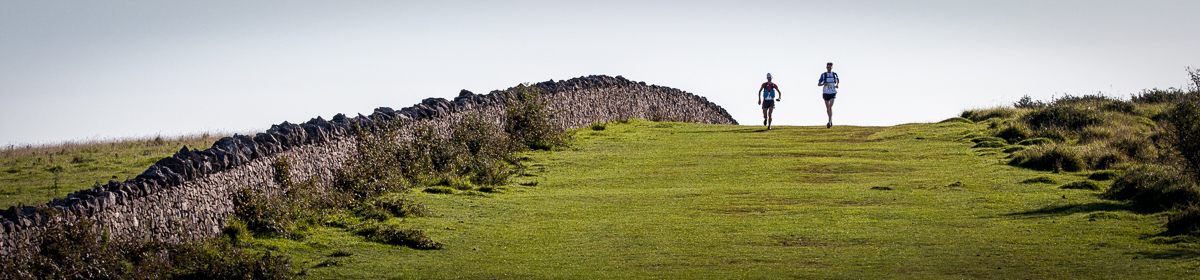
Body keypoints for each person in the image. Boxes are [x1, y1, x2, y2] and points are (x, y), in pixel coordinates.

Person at [817, 62, 839, 128]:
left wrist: (837, 85)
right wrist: (823, 84)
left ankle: (829, 122)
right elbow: (819, 84)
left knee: (830, 106)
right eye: (827, 67)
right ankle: (830, 120)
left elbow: (838, 81)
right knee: (827, 108)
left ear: (832, 67)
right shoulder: (824, 75)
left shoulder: (834, 74)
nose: (828, 69)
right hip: (826, 93)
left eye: (830, 67)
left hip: (833, 93)